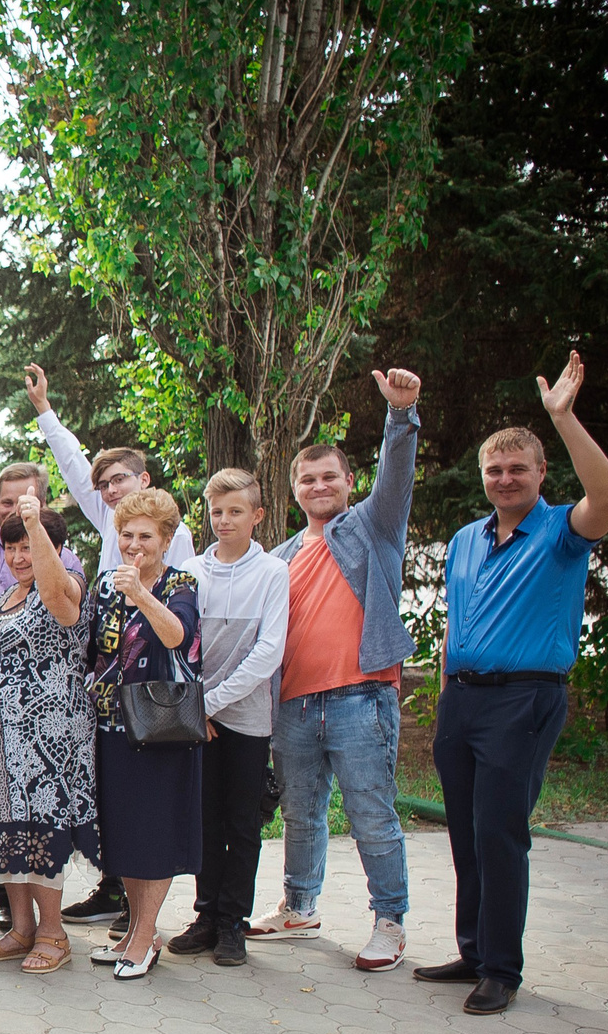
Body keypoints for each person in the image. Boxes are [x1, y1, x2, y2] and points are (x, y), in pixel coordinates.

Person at [415, 351, 608, 1015]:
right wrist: (445, 694)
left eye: (517, 469)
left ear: (540, 474)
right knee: (465, 831)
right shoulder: (465, 540)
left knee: (500, 832)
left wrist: (562, 418)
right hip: (462, 701)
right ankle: (474, 949)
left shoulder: (561, 531)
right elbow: (457, 621)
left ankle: (502, 969)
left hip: (524, 699)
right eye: (495, 470)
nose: (505, 479)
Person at [248, 367, 424, 972]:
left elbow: (397, 475)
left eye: (330, 476)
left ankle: (390, 922)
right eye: (308, 479)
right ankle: (299, 907)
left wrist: (400, 415)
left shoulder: (373, 528)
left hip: (361, 698)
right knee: (301, 814)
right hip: (294, 706)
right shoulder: (278, 558)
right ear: (294, 490)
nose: (319, 485)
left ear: (350, 483)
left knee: (372, 815)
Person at [21, 363, 197, 931]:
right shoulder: (109, 539)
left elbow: (182, 635)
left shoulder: (176, 555)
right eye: (104, 488)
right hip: (108, 708)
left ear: (144, 481)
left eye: (120, 479)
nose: (110, 491)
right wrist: (44, 410)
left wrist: (142, 591)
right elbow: (74, 469)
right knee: (118, 817)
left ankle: (142, 924)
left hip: (158, 707)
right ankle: (117, 898)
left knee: (152, 822)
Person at [0, 503, 98, 973]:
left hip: (42, 742)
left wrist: (35, 523)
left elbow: (60, 604)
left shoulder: (66, 583)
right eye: (11, 548)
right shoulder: (9, 593)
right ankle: (23, 928)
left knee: (39, 831)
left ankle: (53, 933)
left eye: (28, 546)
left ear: (55, 548)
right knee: (9, 834)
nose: (17, 557)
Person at [84, 489, 204, 980]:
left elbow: (178, 636)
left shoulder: (181, 583)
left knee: (153, 835)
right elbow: (91, 649)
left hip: (161, 729)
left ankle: (144, 937)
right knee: (126, 836)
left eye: (146, 536)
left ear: (167, 539)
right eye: (127, 535)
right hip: (111, 725)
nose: (134, 545)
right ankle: (139, 931)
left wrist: (140, 594)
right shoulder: (105, 584)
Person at [173, 469, 289, 967]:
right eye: (216, 511)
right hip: (198, 720)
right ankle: (205, 915)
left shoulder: (272, 573)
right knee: (205, 820)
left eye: (235, 511)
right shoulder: (190, 570)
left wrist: (210, 703)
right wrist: (195, 708)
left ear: (257, 515)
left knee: (242, 824)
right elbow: (178, 643)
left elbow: (268, 652)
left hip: (244, 721)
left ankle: (232, 923)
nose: (224, 520)